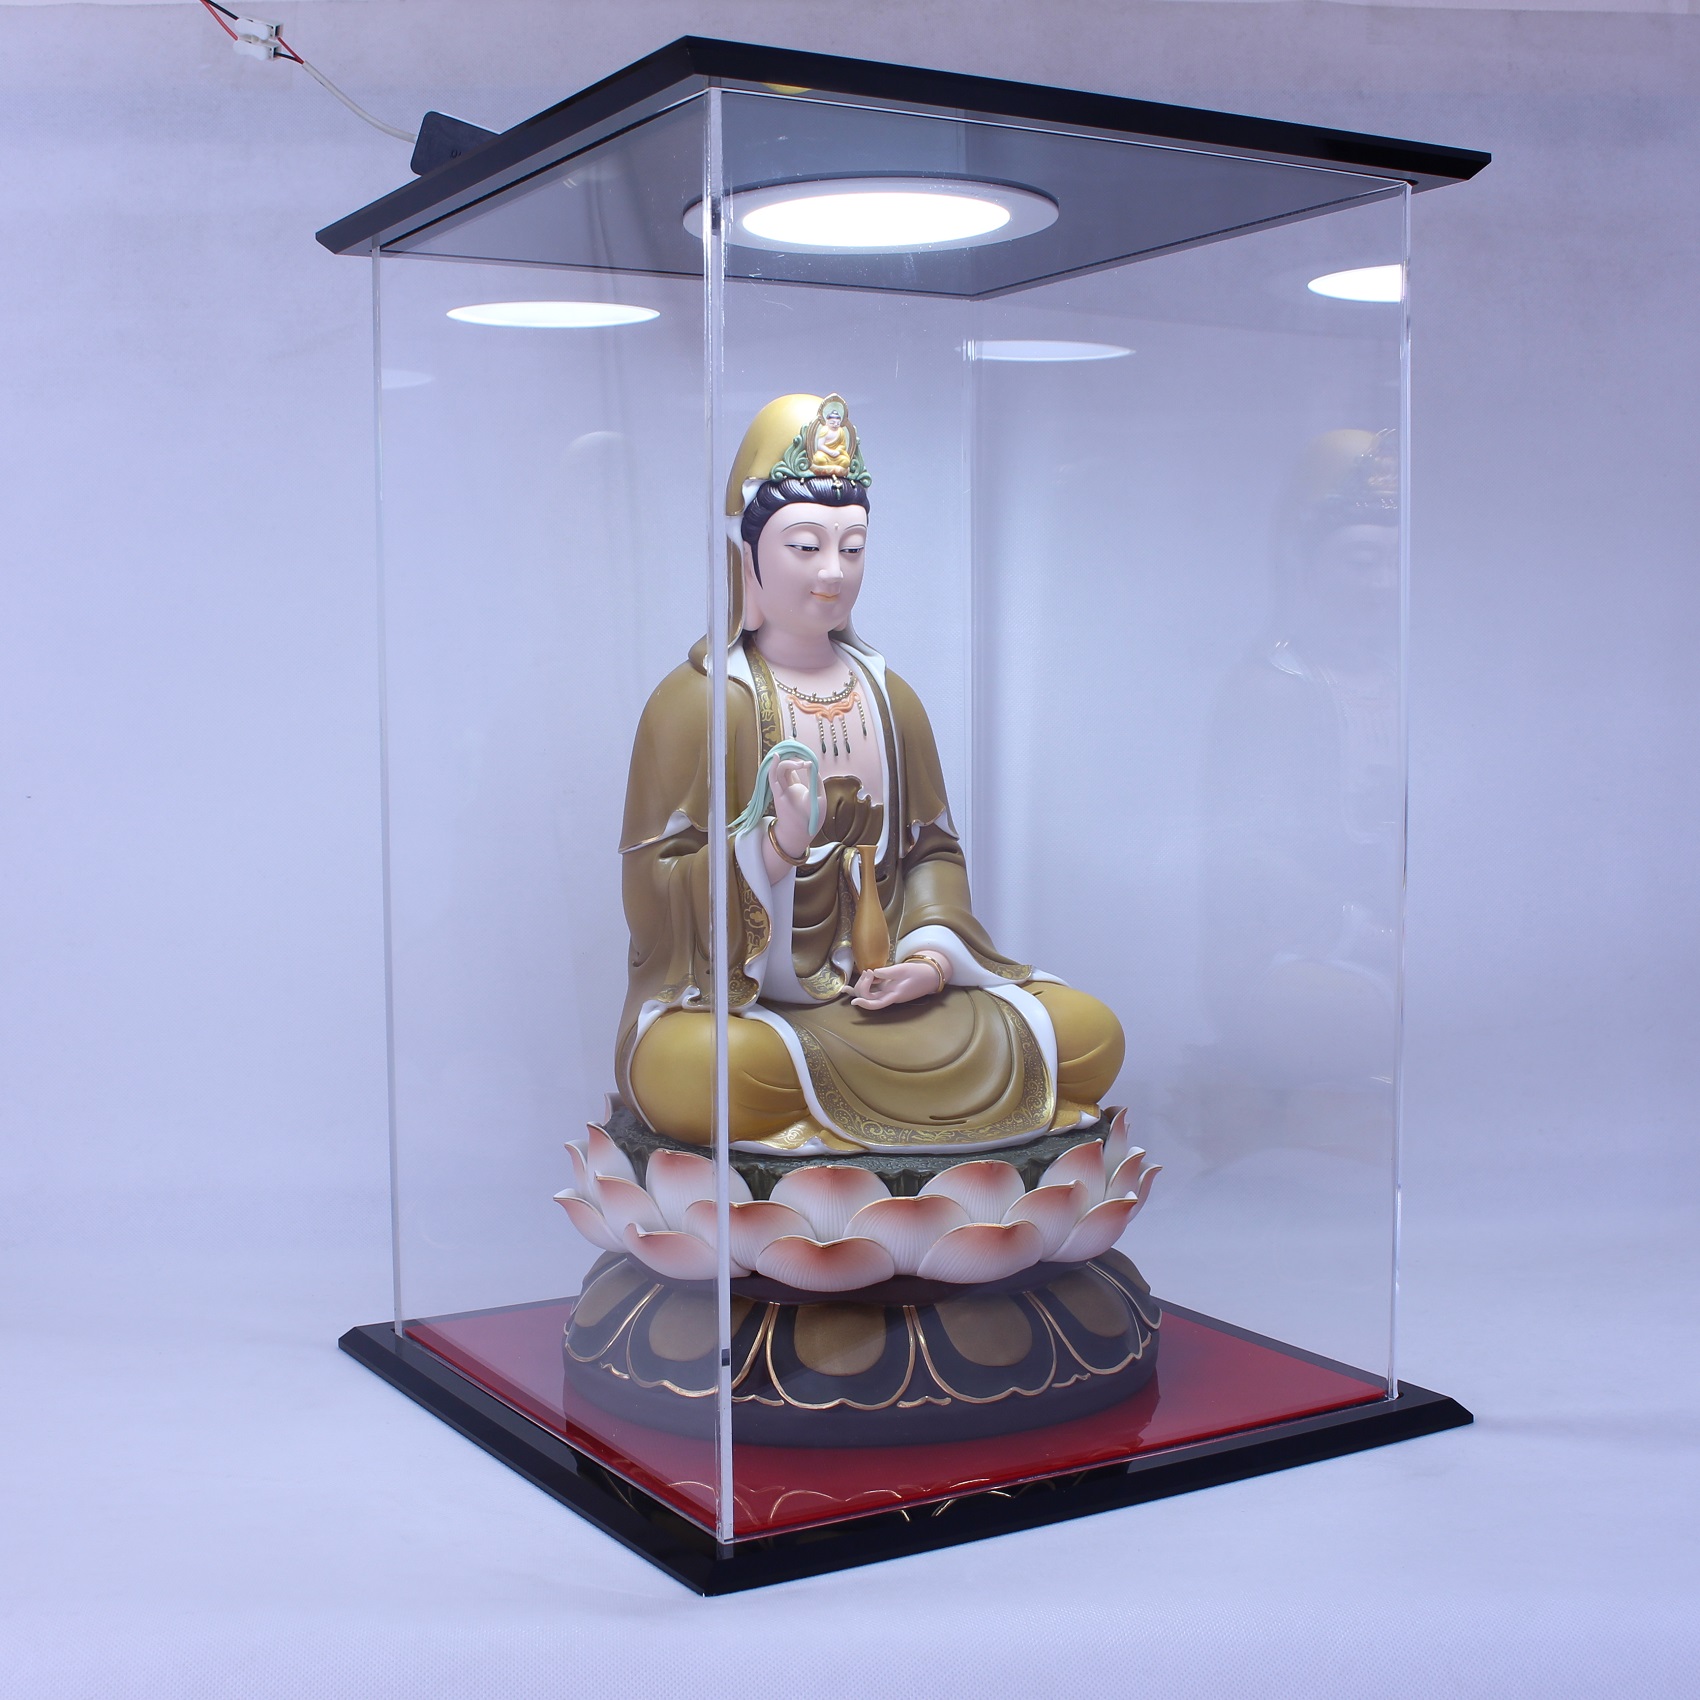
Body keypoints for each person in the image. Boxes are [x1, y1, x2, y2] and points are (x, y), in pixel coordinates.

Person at [616, 394, 1124, 1154]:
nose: (832, 572)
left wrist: (930, 961)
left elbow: (933, 855)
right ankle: (835, 1142)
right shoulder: (698, 702)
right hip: (762, 1007)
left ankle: (845, 1141)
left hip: (892, 996)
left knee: (1086, 1033)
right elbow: (650, 895)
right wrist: (772, 850)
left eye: (852, 548)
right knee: (701, 1069)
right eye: (805, 546)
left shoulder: (890, 697)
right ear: (746, 554)